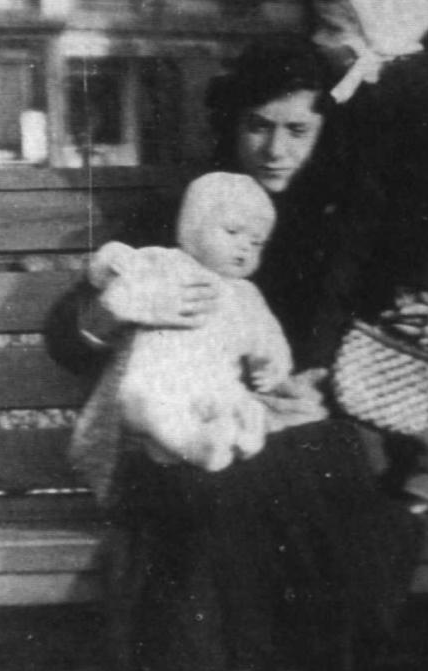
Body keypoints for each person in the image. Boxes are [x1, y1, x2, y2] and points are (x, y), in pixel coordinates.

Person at [45, 32, 428, 671]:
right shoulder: (184, 207)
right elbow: (68, 332)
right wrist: (112, 305)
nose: (275, 150)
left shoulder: (350, 210)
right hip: (189, 443)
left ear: (325, 132)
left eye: (297, 129)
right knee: (249, 508)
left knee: (314, 499)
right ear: (229, 124)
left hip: (305, 437)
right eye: (256, 126)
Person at [312, 0, 428, 517]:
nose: (319, 40)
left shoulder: (413, 102)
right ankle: (392, 468)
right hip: (380, 259)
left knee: (411, 355)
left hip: (413, 264)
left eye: (332, 29)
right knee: (373, 368)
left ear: (379, 29)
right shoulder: (359, 95)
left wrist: (427, 276)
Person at [70, 172, 292, 496]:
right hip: (158, 380)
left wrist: (272, 366)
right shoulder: (164, 261)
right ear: (191, 229)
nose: (245, 246)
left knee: (239, 405)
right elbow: (110, 268)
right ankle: (195, 444)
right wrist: (110, 262)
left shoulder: (247, 295)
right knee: (145, 404)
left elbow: (268, 338)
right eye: (232, 232)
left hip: (215, 386)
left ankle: (226, 439)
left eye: (256, 242)